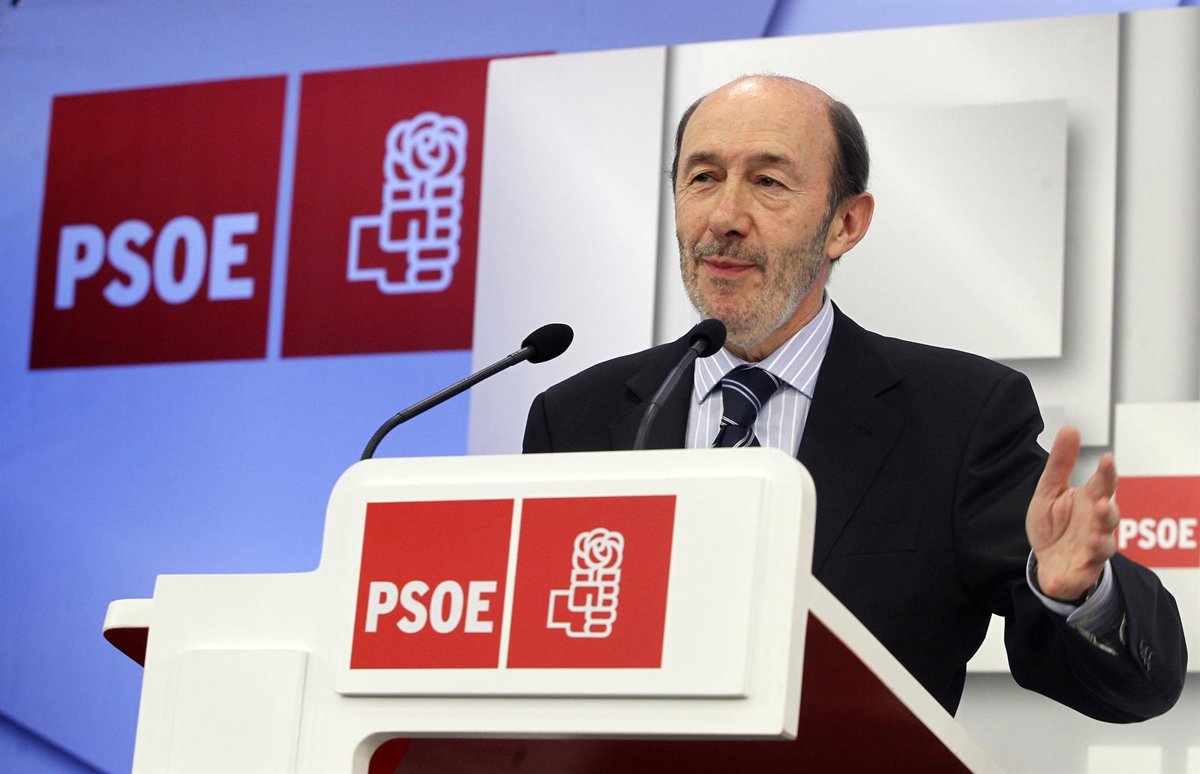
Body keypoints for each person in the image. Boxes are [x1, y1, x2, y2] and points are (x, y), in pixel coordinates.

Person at [523, 75, 1186, 719]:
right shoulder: (576, 419)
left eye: (768, 181)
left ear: (845, 223)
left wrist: (1083, 594)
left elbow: (1129, 685)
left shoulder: (957, 417)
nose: (724, 217)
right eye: (702, 177)